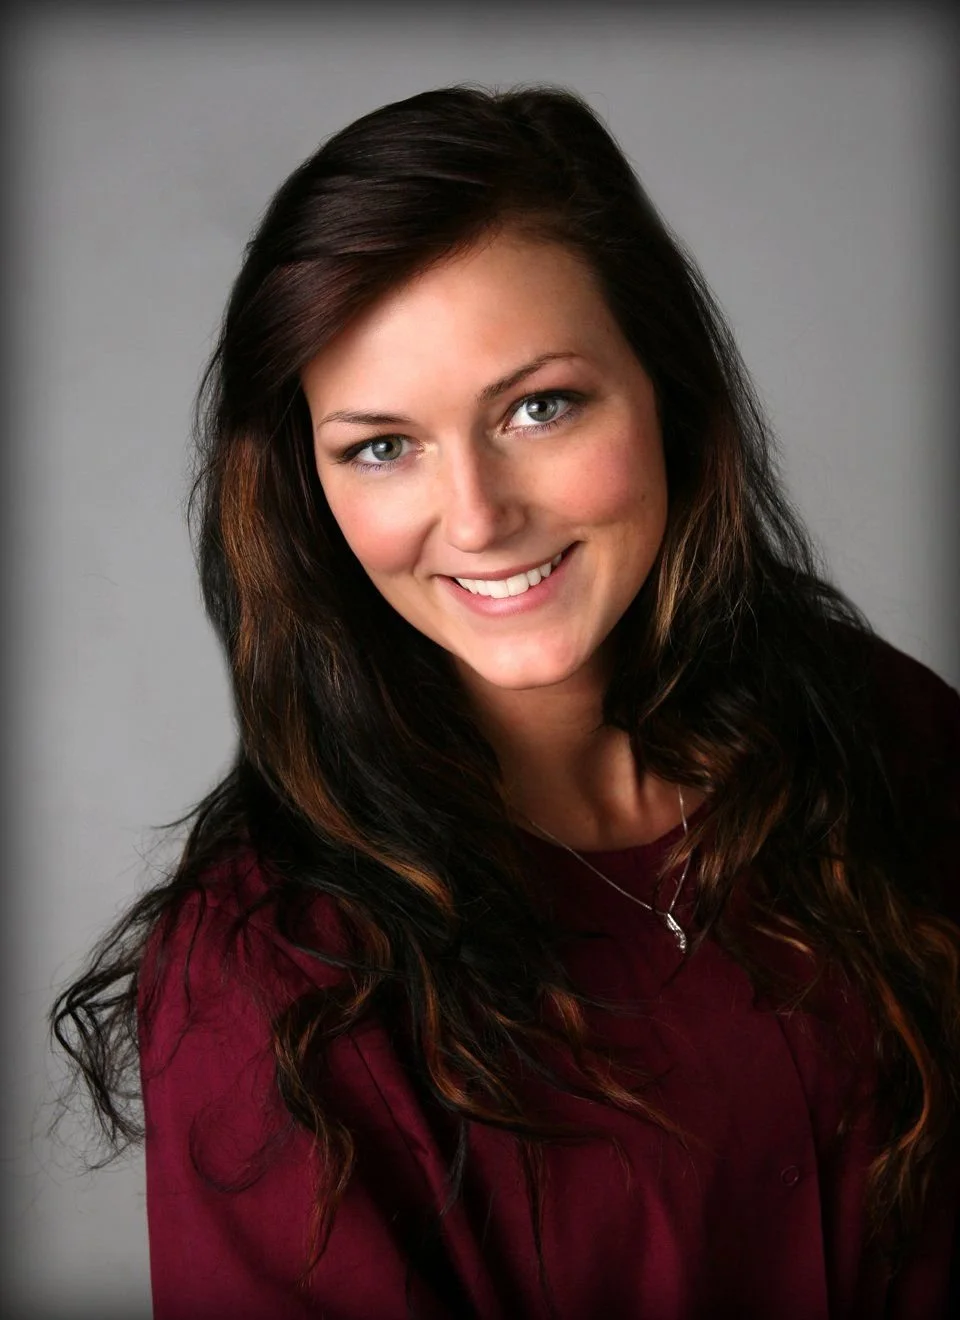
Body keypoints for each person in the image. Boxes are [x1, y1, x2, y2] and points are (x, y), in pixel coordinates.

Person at [51, 84, 960, 1320]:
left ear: (665, 394)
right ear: (307, 492)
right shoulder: (271, 972)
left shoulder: (892, 736)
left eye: (540, 407)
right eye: (382, 446)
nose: (477, 518)